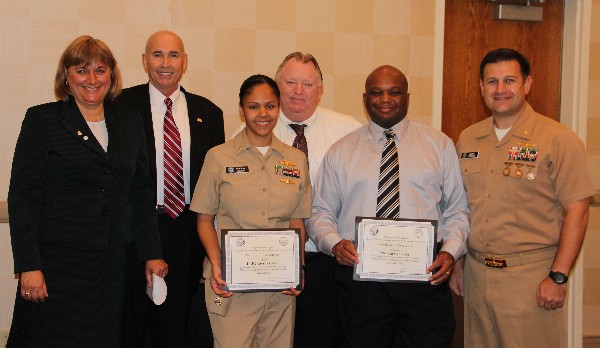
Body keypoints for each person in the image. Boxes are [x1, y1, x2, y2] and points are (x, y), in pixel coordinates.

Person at [6, 35, 167, 347]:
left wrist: (152, 254)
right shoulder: (43, 120)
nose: (92, 80)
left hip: (113, 265)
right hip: (57, 266)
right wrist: (28, 265)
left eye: (100, 70)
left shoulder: (130, 121)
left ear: (112, 75)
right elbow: (23, 197)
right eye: (82, 71)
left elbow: (141, 192)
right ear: (66, 76)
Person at [307, 65, 469, 347]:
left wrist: (451, 253)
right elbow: (320, 213)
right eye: (376, 92)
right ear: (364, 98)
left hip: (425, 275)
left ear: (407, 97)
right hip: (361, 278)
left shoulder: (439, 145)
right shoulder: (341, 151)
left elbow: (457, 209)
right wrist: (334, 244)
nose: (385, 99)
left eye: (394, 92)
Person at [451, 48, 595, 347]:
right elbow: (462, 206)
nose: (500, 90)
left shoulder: (557, 139)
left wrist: (558, 277)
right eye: (492, 82)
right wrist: (458, 262)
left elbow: (577, 210)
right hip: (477, 277)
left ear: (527, 84)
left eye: (509, 80)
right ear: (481, 87)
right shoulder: (468, 138)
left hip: (530, 279)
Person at [232, 52, 362, 347]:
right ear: (278, 86)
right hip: (266, 261)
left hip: (326, 260)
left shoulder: (348, 131)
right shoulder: (248, 131)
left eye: (307, 83)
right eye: (290, 82)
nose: (298, 91)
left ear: (321, 89)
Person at [117, 30, 224, 347]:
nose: (166, 63)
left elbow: (216, 186)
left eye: (174, 55)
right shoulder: (121, 106)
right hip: (135, 229)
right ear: (144, 60)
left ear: (185, 61)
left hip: (188, 231)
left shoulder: (209, 113)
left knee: (178, 324)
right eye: (157, 54)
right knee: (135, 321)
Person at [191, 74, 312, 348]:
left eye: (269, 106)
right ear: (241, 109)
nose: (262, 114)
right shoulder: (219, 157)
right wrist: (217, 263)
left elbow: (297, 220)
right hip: (232, 285)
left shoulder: (296, 160)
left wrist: (299, 267)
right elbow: (204, 219)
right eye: (253, 106)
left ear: (278, 107)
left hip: (279, 287)